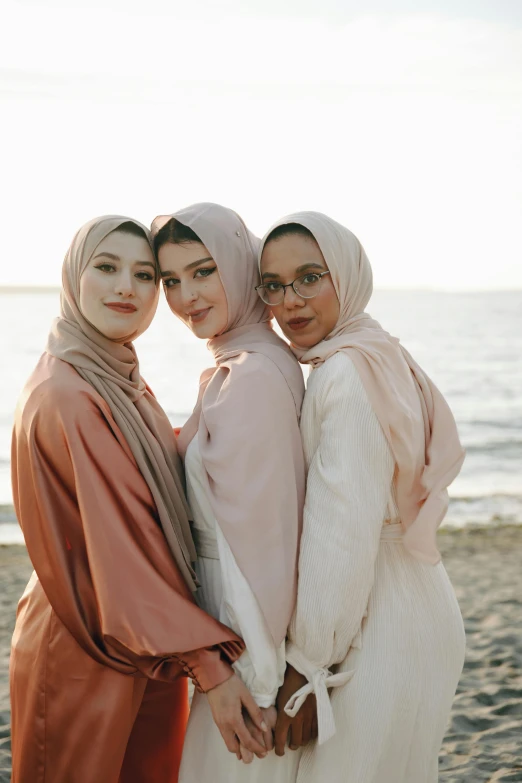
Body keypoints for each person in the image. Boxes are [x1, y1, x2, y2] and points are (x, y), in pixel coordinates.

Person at [10, 215, 267, 783]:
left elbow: (147, 491)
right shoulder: (69, 394)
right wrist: (212, 670)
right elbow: (125, 547)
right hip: (87, 639)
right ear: (76, 277)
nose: (126, 286)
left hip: (143, 637)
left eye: (145, 274)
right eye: (106, 267)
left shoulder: (114, 375)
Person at [257, 212, 466, 783]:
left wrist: (306, 664)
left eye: (309, 277)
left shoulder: (344, 374)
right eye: (272, 285)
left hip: (377, 626)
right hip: (423, 606)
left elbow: (341, 534)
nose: (290, 301)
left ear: (345, 275)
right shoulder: (383, 351)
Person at [151, 202, 306, 782]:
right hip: (233, 640)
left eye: (203, 270)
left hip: (245, 653)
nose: (185, 295)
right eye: (171, 280)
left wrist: (257, 684)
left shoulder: (252, 377)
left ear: (240, 267)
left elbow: (260, 546)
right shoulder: (241, 362)